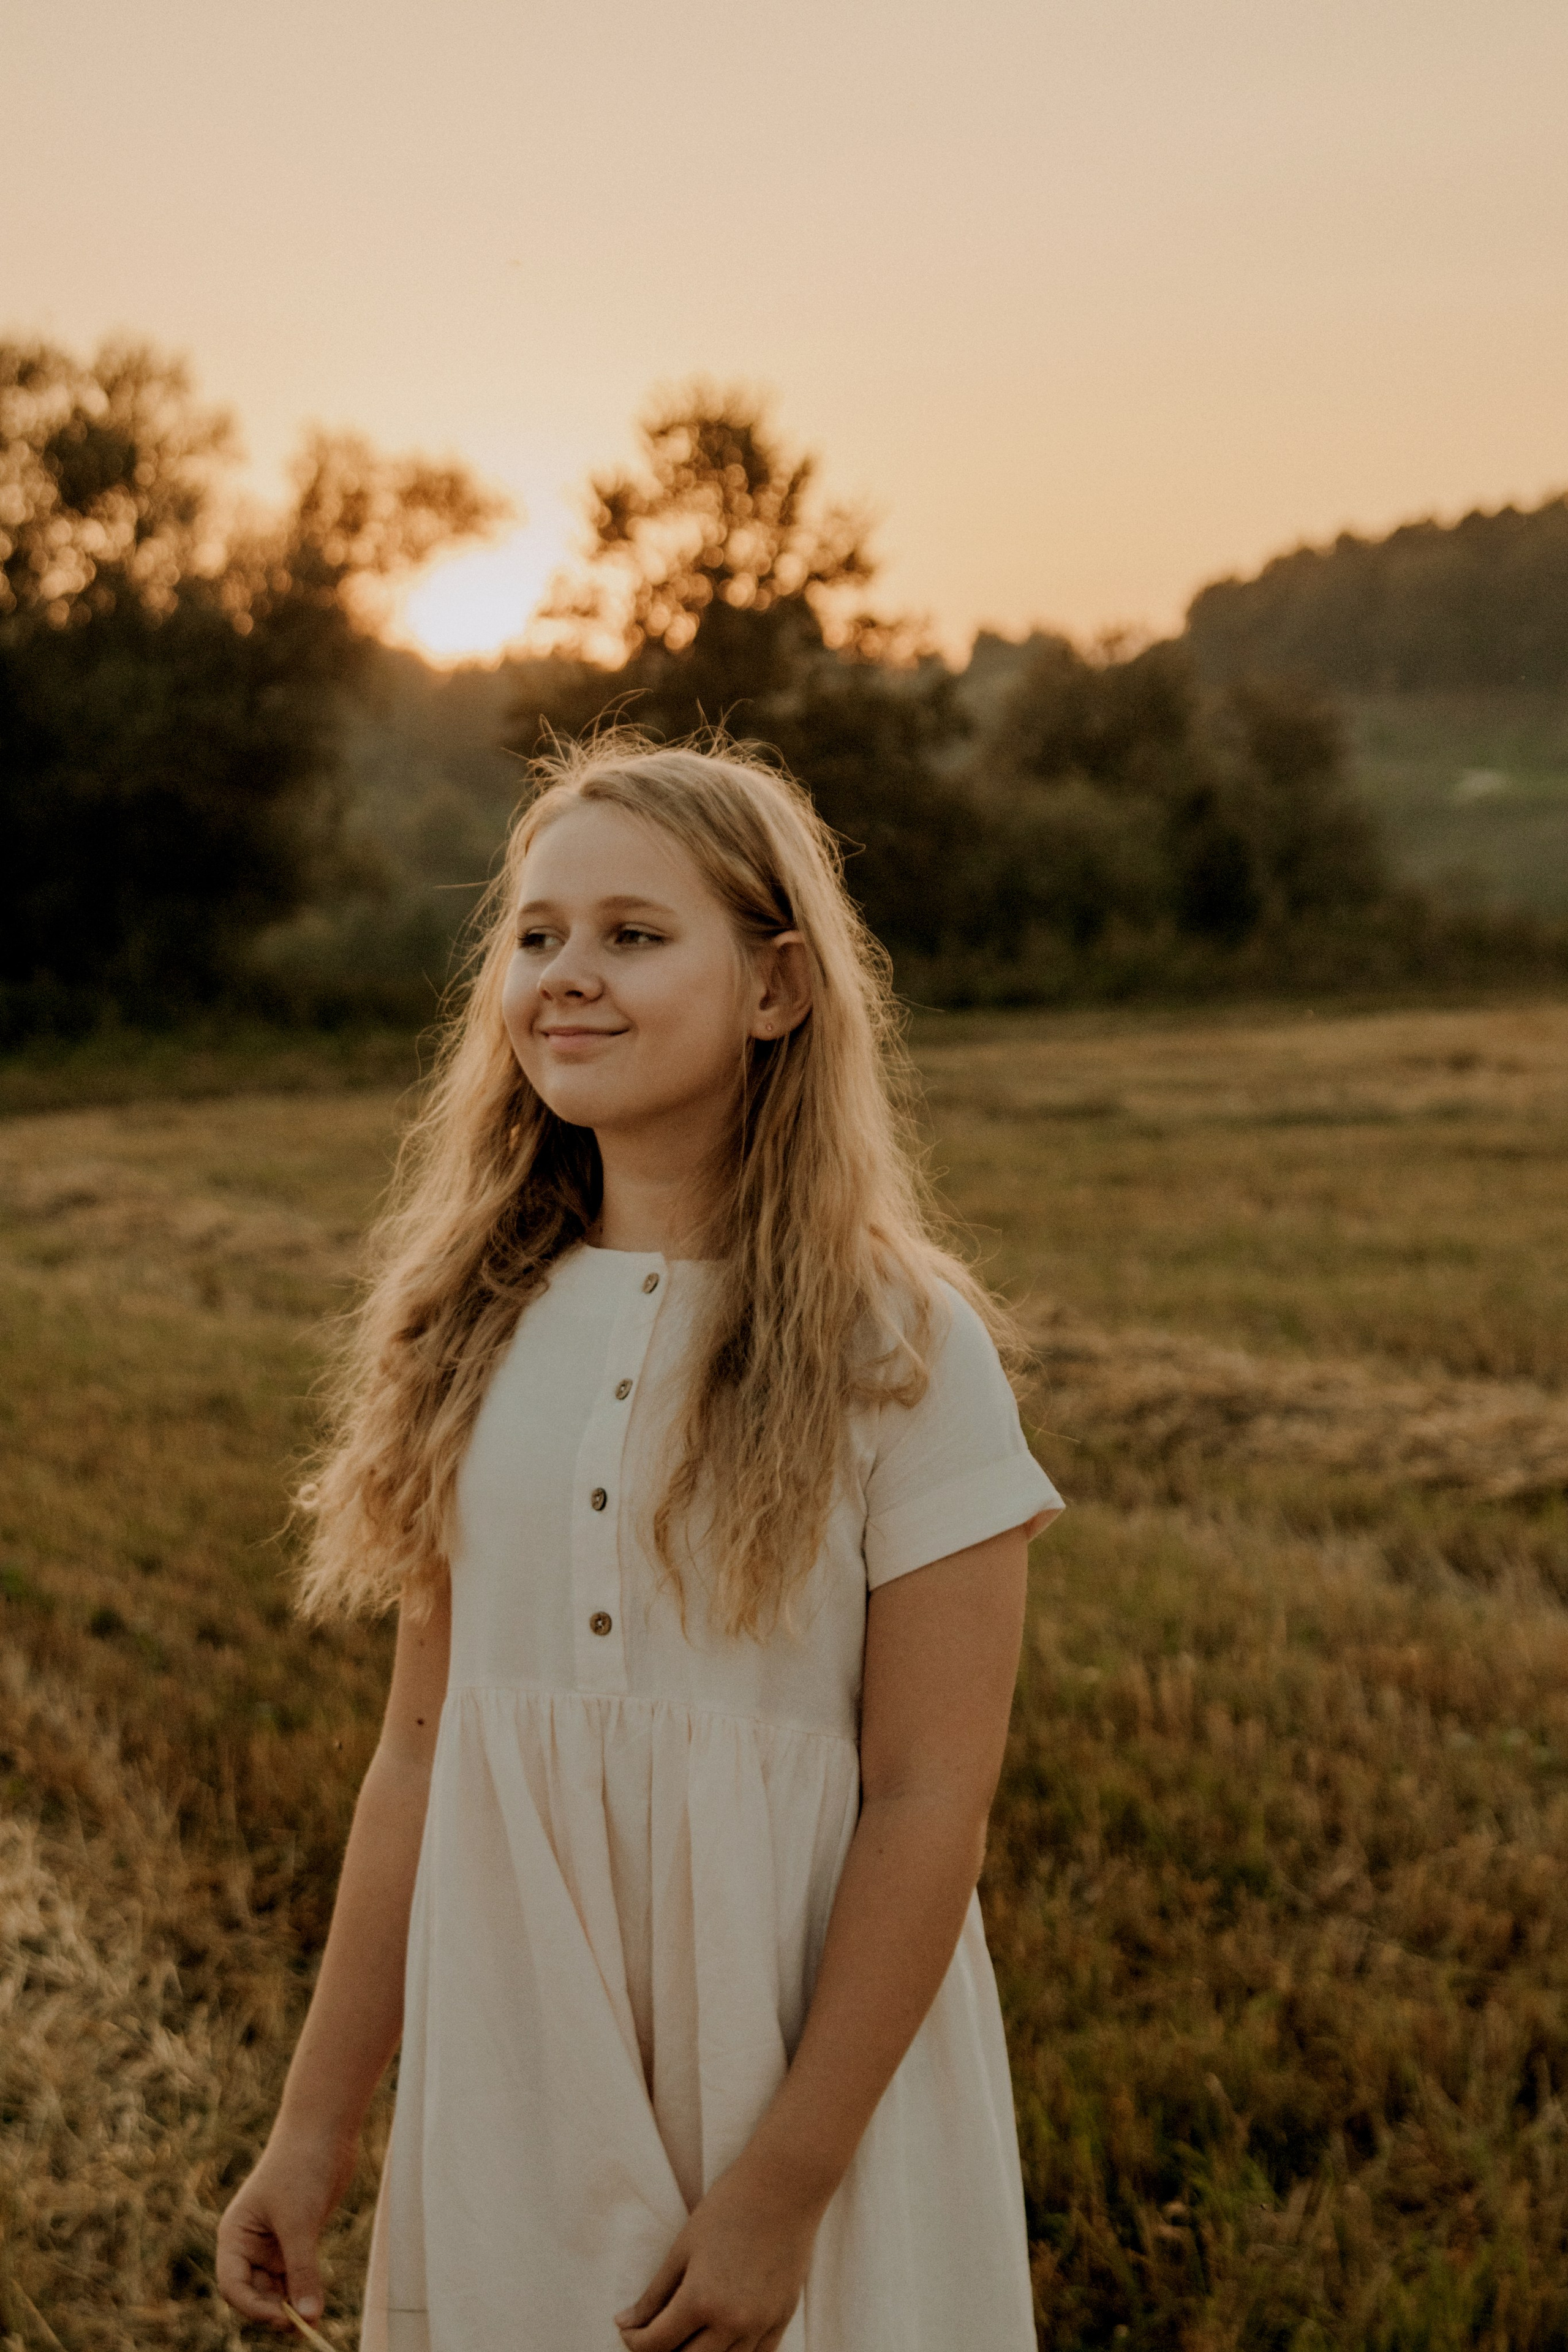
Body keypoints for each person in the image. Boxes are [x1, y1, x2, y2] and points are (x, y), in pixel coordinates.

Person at [216, 737, 1063, 2352]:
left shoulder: (903, 1343)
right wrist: (312, 2131)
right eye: (535, 936)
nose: (565, 978)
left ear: (778, 987)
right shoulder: (463, 1332)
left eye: (632, 933)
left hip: (804, 2079)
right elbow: (417, 1757)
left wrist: (783, 2185)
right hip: (522, 2048)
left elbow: (929, 1798)